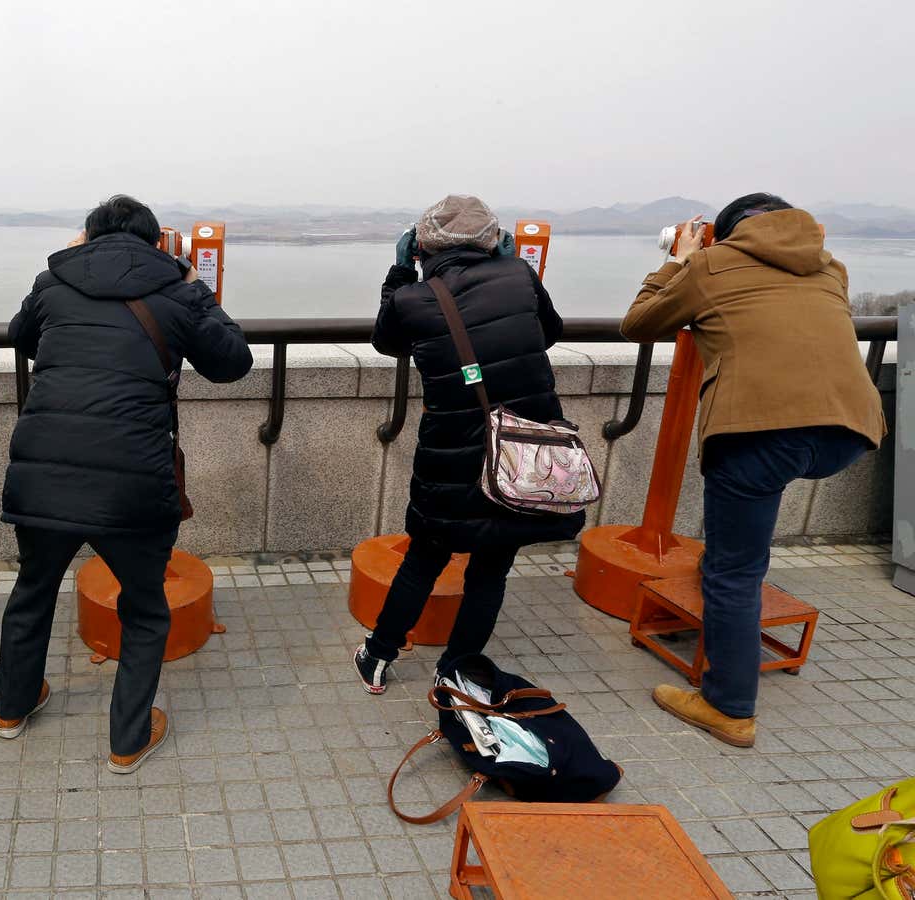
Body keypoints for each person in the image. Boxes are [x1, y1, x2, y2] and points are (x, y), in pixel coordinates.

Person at [0, 195, 253, 774]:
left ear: (85, 237)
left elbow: (21, 335)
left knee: (33, 589)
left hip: (43, 471)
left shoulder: (52, 282)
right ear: (158, 242)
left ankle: (12, 708)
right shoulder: (179, 290)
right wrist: (197, 286)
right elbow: (233, 360)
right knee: (143, 608)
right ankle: (127, 741)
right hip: (134, 480)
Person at [622, 193, 885, 748]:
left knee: (734, 572)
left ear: (726, 232)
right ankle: (725, 612)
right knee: (738, 558)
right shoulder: (829, 266)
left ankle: (730, 707)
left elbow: (639, 324)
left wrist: (680, 259)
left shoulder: (711, 263)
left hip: (763, 430)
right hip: (850, 430)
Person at [354, 195, 584, 694]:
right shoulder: (521, 276)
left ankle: (377, 655)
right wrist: (507, 264)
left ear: (420, 245)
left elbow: (386, 341)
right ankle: (457, 668)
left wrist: (399, 274)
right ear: (493, 240)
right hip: (521, 448)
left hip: (452, 450)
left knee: (426, 557)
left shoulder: (412, 299)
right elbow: (550, 332)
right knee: (493, 566)